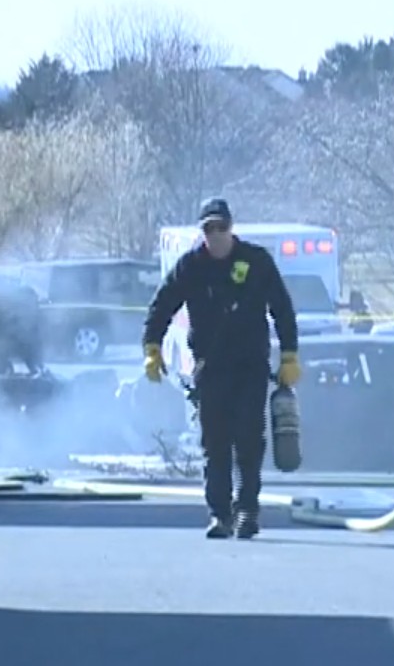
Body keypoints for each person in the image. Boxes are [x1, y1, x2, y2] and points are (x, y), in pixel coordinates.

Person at [142, 197, 300, 539]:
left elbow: (283, 309)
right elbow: (163, 305)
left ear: (231, 228)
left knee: (248, 440)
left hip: (250, 366)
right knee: (215, 443)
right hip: (210, 368)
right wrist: (152, 346)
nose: (215, 235)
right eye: (209, 229)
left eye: (221, 227)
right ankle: (219, 513)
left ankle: (247, 511)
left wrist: (289, 355)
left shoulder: (256, 262)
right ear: (203, 232)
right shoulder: (192, 267)